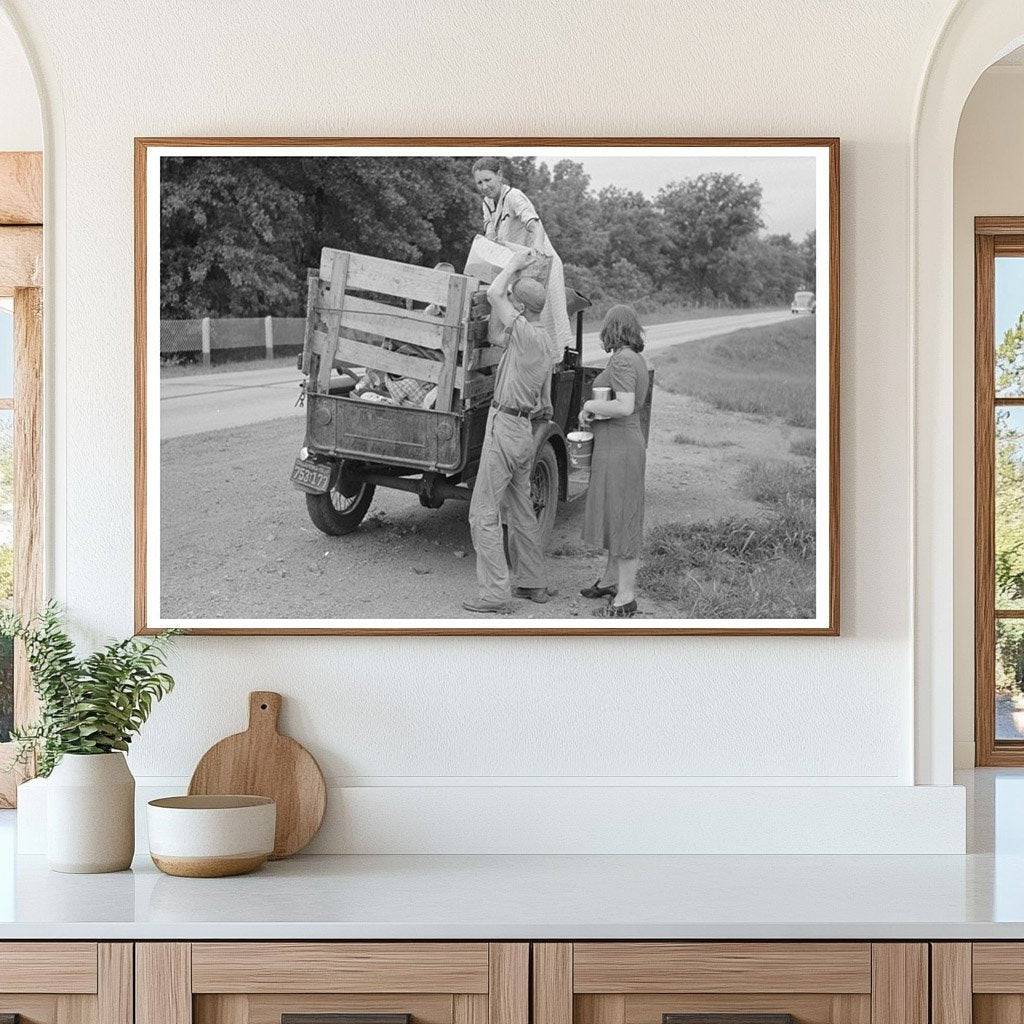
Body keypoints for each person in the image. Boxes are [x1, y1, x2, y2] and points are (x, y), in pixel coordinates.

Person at [463, 250, 554, 614]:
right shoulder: (541, 339)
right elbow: (497, 332)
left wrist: (513, 265)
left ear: (523, 306)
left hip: (505, 427)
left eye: (516, 301)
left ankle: (495, 593)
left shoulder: (528, 336)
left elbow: (493, 296)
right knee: (521, 511)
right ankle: (533, 582)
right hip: (523, 431)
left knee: (481, 512)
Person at [578, 304, 650, 619]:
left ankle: (626, 595)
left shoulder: (622, 360)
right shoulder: (634, 358)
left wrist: (590, 404)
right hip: (618, 447)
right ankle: (610, 581)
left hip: (621, 448)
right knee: (614, 513)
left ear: (612, 329)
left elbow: (623, 406)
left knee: (623, 518)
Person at [472, 157, 571, 364]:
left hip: (541, 264)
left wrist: (536, 249)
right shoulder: (487, 203)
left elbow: (536, 225)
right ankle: (523, 365)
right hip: (518, 265)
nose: (485, 186)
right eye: (480, 182)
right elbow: (491, 238)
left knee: (544, 321)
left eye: (488, 180)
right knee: (516, 319)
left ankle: (549, 368)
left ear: (500, 175)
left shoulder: (514, 196)